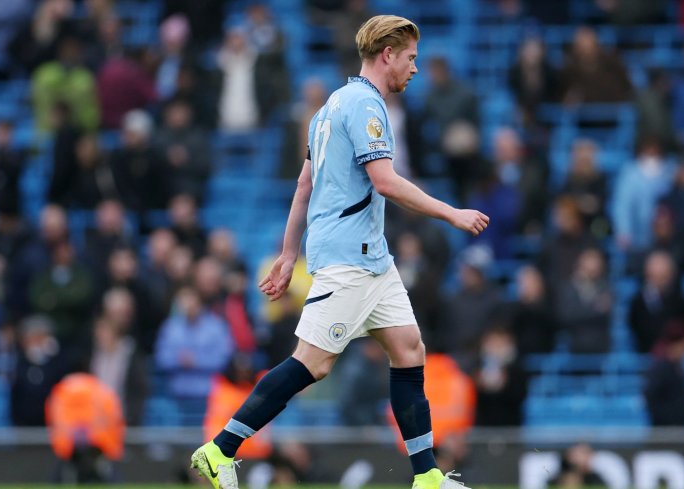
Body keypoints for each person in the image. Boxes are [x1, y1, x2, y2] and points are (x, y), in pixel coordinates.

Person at [190, 15, 488, 489]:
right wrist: (451, 213)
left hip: (372, 259)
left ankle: (428, 476)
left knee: (410, 350)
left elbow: (305, 184)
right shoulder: (367, 108)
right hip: (350, 258)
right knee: (314, 362)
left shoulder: (328, 109)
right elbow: (385, 181)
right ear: (387, 54)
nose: (414, 68)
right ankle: (219, 448)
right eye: (410, 58)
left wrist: (289, 254)